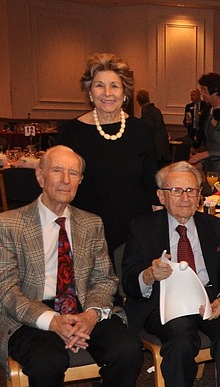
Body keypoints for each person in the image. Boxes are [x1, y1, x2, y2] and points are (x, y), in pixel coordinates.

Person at [0, 145, 142, 387]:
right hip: (31, 312)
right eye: (57, 171)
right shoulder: (9, 223)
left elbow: (105, 279)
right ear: (40, 175)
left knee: (128, 348)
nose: (65, 179)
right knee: (48, 359)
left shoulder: (90, 224)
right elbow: (4, 289)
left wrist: (90, 315)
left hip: (83, 305)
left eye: (73, 173)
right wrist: (52, 321)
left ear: (80, 180)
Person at [121, 161, 220, 387]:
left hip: (207, 299)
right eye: (176, 190)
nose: (186, 197)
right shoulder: (141, 227)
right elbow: (128, 280)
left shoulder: (212, 225)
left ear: (200, 195)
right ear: (161, 196)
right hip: (164, 302)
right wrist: (149, 274)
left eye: (191, 190)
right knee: (180, 338)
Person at [57, 52, 159, 253]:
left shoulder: (142, 131)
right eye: (99, 85)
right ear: (89, 92)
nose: (107, 93)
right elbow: (60, 186)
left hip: (134, 234)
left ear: (125, 92)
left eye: (114, 85)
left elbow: (151, 186)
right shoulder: (71, 133)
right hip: (86, 234)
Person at [188, 73, 220, 181]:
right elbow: (211, 143)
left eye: (204, 91)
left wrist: (204, 155)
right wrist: (201, 162)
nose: (202, 94)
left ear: (215, 93)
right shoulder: (210, 110)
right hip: (212, 167)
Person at [136, 89, 170, 167]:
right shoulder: (156, 110)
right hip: (163, 146)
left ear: (139, 101)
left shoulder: (146, 111)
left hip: (155, 147)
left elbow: (148, 129)